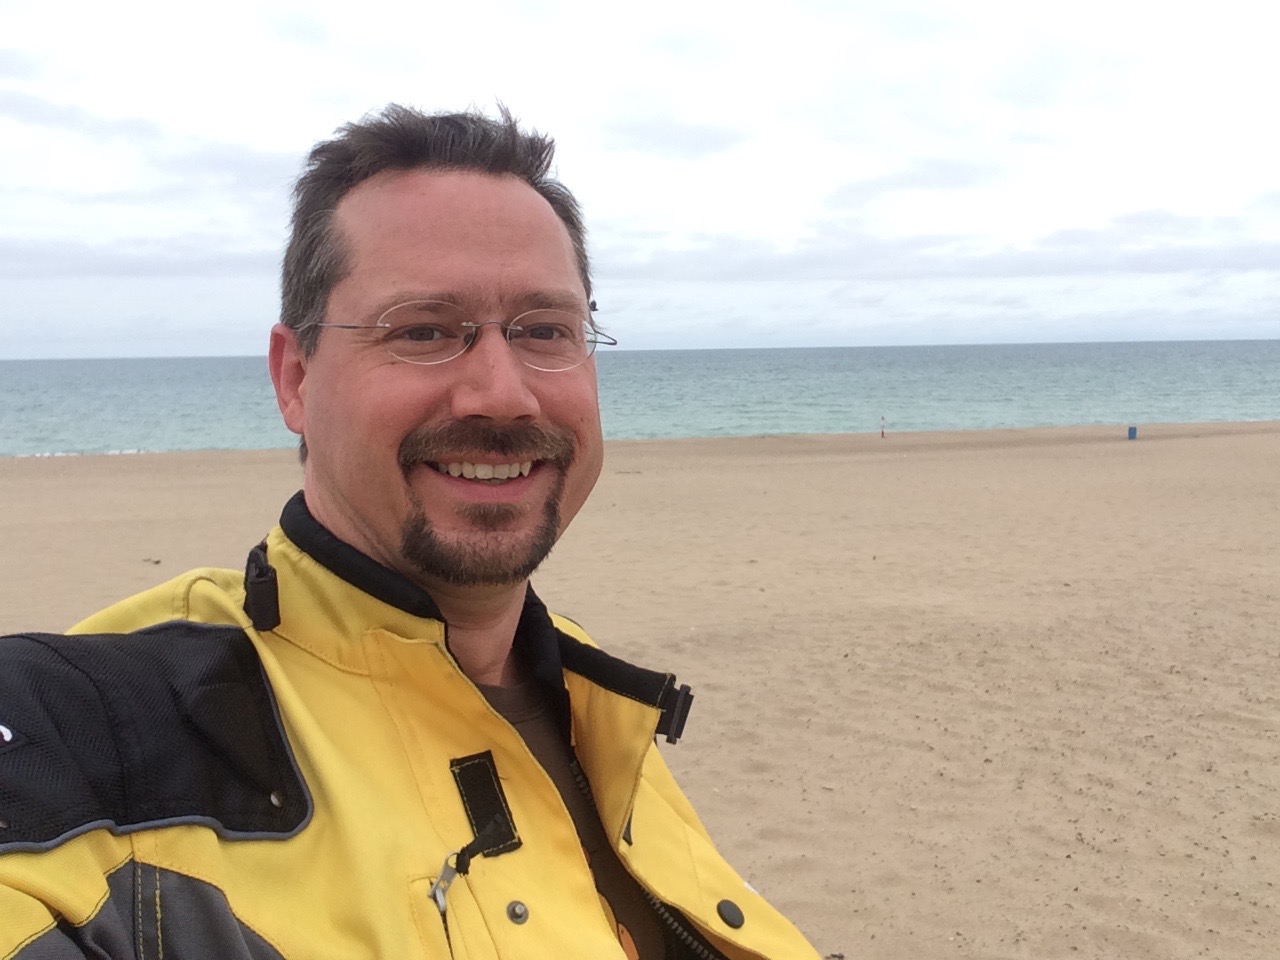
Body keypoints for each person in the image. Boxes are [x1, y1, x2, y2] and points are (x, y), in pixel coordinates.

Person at [0, 106, 820, 959]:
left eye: (546, 331)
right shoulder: (100, 731)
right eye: (423, 330)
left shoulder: (588, 694)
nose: (503, 395)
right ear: (296, 378)